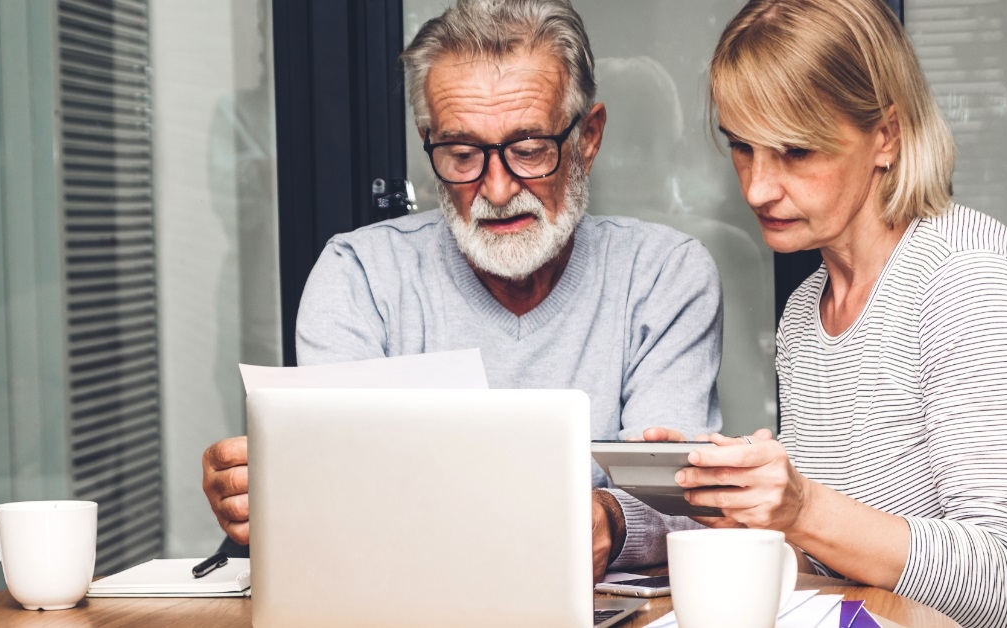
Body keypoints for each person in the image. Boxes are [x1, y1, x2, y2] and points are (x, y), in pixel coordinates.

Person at [201, 0, 722, 582]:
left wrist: (611, 520)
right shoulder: (360, 276)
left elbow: (691, 503)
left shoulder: (663, 275)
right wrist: (268, 492)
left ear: (589, 138)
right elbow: (336, 498)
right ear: (429, 143)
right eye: (462, 153)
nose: (496, 190)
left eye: (528, 150)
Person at [666, 0, 1007, 626]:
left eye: (796, 152)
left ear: (885, 136)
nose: (757, 187)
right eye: (742, 148)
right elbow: (860, 557)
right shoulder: (807, 313)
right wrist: (745, 506)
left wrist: (802, 509)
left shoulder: (969, 277)